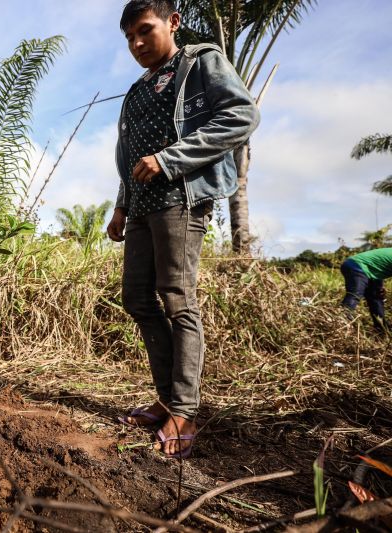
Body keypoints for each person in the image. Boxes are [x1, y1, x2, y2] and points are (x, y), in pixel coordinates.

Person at [105, 0, 259, 458]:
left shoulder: (200, 63)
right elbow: (128, 155)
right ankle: (168, 398)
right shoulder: (136, 90)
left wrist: (170, 159)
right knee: (136, 297)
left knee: (176, 297)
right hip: (141, 209)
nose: (136, 44)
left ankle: (185, 409)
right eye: (129, 37)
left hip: (182, 201)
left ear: (173, 23)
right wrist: (121, 205)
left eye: (145, 31)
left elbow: (241, 115)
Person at [340, 247, 392, 333]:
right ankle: (340, 321)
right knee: (355, 294)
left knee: (376, 299)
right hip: (357, 265)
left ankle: (381, 329)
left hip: (373, 271)